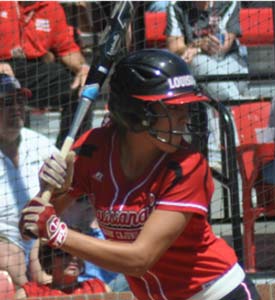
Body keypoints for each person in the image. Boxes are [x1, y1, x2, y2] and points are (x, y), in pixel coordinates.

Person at [19, 49, 260, 300]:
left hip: (216, 293)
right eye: (172, 108)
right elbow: (29, 229)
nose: (184, 117)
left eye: (186, 107)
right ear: (137, 114)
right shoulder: (94, 148)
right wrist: (54, 191)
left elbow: (140, 258)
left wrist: (59, 233)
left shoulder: (188, 166)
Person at [0, 1, 91, 148]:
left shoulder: (51, 7)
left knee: (82, 91)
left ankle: (67, 154)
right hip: (3, 67)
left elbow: (67, 49)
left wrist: (83, 68)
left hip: (35, 69)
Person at [0, 73, 56, 290]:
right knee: (8, 256)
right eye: (6, 102)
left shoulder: (40, 144)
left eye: (20, 100)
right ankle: (32, 292)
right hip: (4, 242)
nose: (16, 108)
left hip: (41, 235)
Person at [166, 1, 249, 101]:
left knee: (211, 82)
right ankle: (239, 104)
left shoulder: (229, 2)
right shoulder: (177, 4)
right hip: (194, 72)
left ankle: (232, 105)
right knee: (198, 62)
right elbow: (174, 48)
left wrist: (197, 49)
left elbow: (223, 45)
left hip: (230, 65)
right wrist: (199, 46)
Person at [15, 245, 109, 298]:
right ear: (49, 258)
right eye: (65, 253)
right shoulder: (31, 293)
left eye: (78, 253)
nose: (74, 258)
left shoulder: (98, 288)